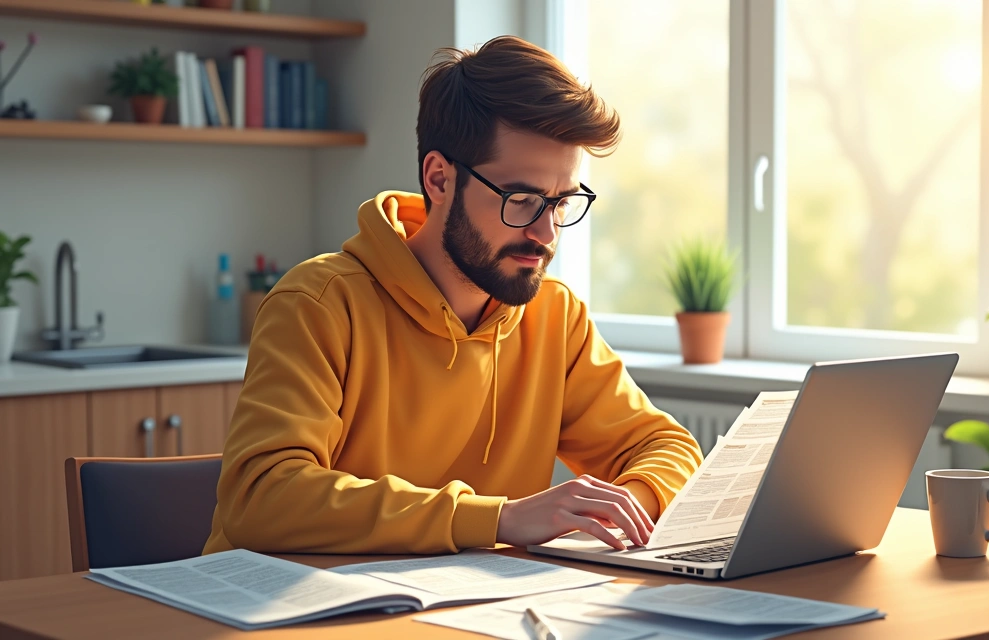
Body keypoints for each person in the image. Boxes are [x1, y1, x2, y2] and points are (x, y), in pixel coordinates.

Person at [202, 36, 703, 557]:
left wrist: (627, 503)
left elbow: (666, 448)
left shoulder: (554, 315)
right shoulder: (319, 303)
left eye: (560, 202)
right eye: (522, 199)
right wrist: (497, 519)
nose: (546, 233)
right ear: (439, 179)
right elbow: (262, 497)